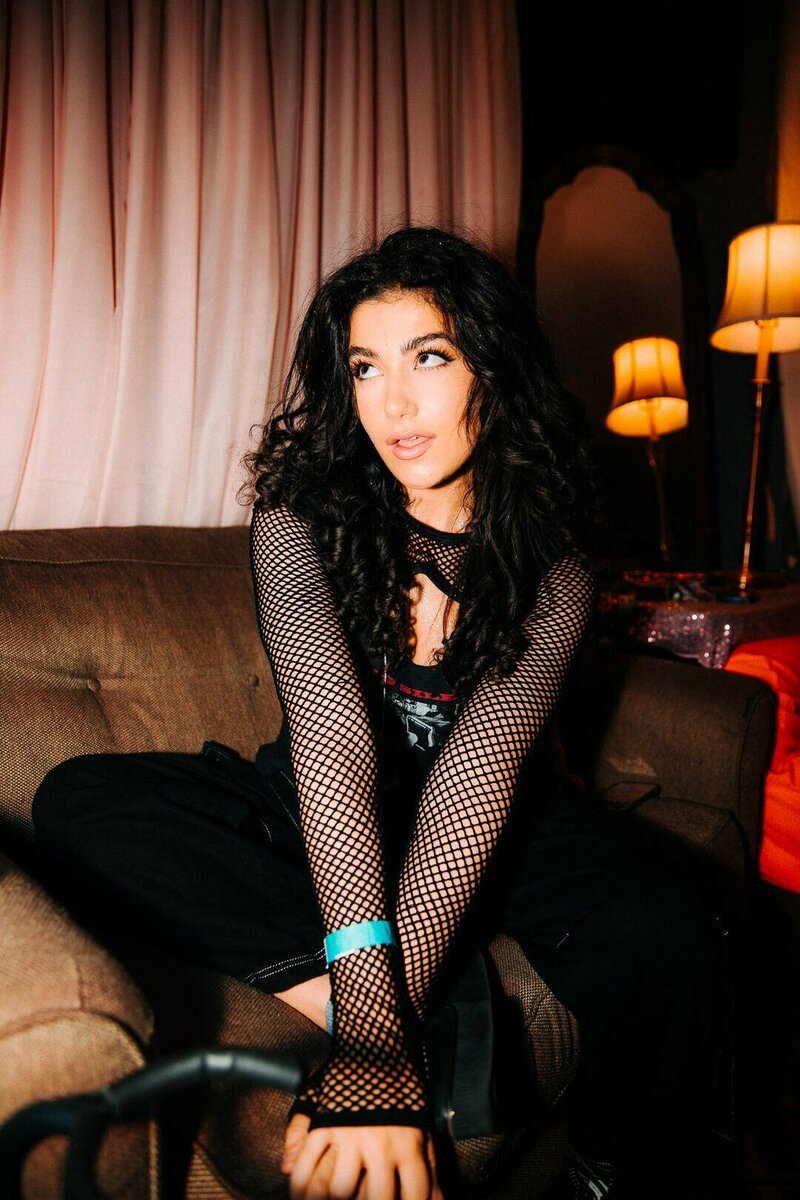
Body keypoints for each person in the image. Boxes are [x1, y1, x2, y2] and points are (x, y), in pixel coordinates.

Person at [32, 226, 720, 1200]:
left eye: (427, 357)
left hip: (493, 829)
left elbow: (477, 777)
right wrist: (370, 1030)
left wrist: (372, 1030)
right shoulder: (298, 519)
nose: (392, 402)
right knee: (80, 799)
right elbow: (331, 742)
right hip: (316, 803)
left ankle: (606, 1172)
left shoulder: (555, 562)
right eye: (364, 367)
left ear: (493, 368)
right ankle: (440, 1002)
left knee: (667, 925)